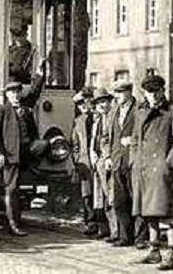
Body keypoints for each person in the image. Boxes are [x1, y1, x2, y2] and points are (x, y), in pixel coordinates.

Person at [132, 74, 173, 271]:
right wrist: (134, 161)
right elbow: (136, 139)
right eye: (149, 92)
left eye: (157, 91)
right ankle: (154, 250)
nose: (153, 96)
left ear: (162, 91)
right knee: (149, 212)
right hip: (143, 168)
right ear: (144, 93)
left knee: (166, 212)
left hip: (161, 169)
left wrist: (169, 164)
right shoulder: (140, 112)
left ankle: (171, 253)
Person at [0, 59, 47, 236]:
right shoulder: (2, 111)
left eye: (17, 92)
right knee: (12, 188)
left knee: (45, 144)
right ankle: (12, 224)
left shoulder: (25, 107)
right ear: (7, 95)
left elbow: (35, 93)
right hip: (11, 154)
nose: (15, 95)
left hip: (26, 152)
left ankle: (34, 167)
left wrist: (39, 74)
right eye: (12, 93)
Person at [104, 80, 137, 247]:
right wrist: (108, 156)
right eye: (116, 93)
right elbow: (109, 136)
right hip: (117, 161)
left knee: (136, 199)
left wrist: (133, 140)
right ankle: (125, 236)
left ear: (130, 92)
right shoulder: (114, 112)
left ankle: (140, 237)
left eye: (121, 92)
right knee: (119, 200)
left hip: (133, 160)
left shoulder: (139, 110)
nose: (117, 96)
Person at [69, 86, 96, 233]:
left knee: (100, 194)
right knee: (86, 194)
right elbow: (75, 144)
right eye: (80, 104)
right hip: (84, 162)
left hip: (97, 162)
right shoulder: (78, 121)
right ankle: (90, 222)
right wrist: (76, 160)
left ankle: (103, 224)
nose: (84, 106)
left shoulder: (99, 117)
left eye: (86, 102)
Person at [91, 87, 114, 241]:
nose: (102, 105)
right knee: (98, 197)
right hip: (97, 160)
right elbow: (94, 140)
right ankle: (103, 228)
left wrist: (108, 157)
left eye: (104, 102)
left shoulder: (112, 118)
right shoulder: (97, 120)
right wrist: (93, 154)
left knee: (110, 196)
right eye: (99, 102)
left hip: (107, 160)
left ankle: (115, 230)